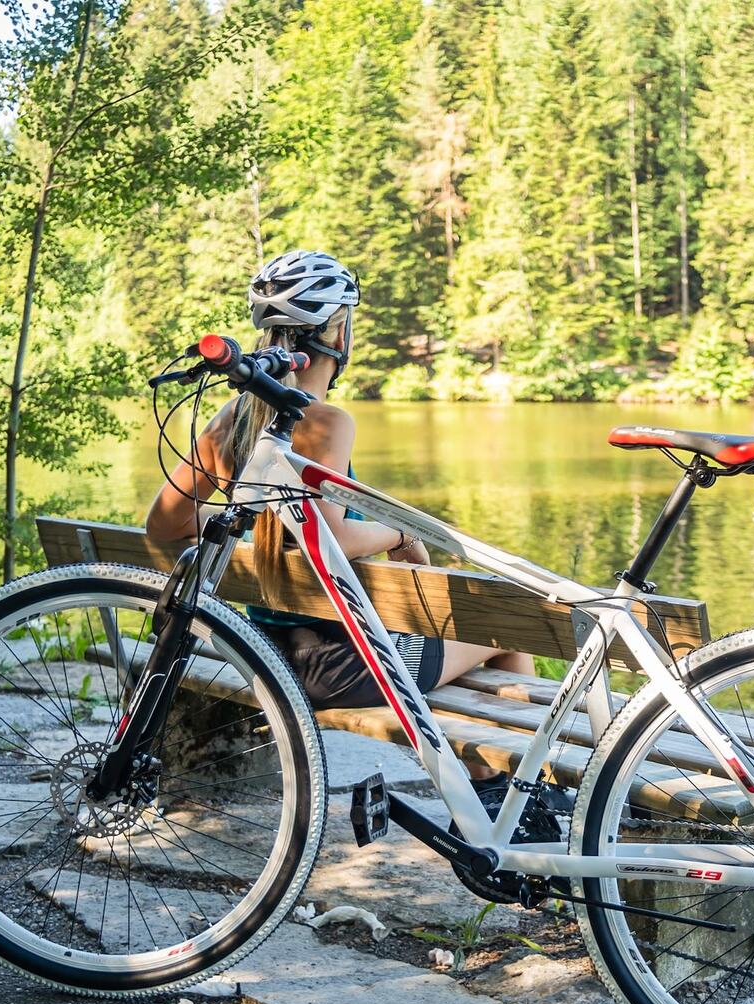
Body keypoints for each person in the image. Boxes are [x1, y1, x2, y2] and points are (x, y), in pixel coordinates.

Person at [145, 249, 541, 800]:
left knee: (460, 645)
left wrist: (246, 524)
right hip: (334, 665)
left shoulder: (230, 420)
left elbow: (163, 527)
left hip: (261, 650)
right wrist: (402, 532)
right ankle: (506, 794)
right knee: (499, 632)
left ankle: (494, 789)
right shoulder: (327, 421)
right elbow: (324, 546)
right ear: (338, 332)